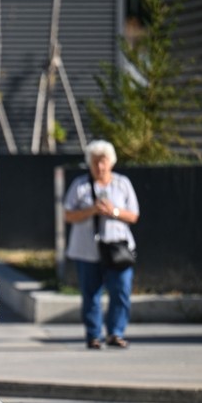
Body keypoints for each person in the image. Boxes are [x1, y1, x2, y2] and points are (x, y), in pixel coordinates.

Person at [63, 139, 139, 349]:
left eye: (103, 161)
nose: (99, 166)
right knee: (91, 295)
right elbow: (68, 215)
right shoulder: (80, 185)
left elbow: (133, 215)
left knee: (121, 292)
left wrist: (113, 211)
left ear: (111, 162)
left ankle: (116, 332)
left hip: (117, 250)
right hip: (87, 251)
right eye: (95, 162)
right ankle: (94, 335)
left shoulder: (122, 184)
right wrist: (92, 211)